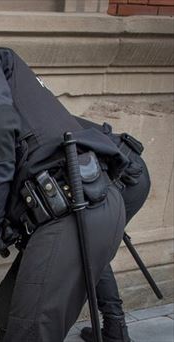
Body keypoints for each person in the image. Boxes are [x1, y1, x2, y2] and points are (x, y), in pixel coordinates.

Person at [0, 31, 129, 341]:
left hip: (64, 211)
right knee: (7, 310)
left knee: (28, 332)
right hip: (92, 203)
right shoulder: (5, 70)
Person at [76, 118, 151, 342]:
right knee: (91, 250)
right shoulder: (36, 101)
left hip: (124, 179)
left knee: (92, 251)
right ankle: (115, 328)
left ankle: (116, 331)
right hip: (127, 166)